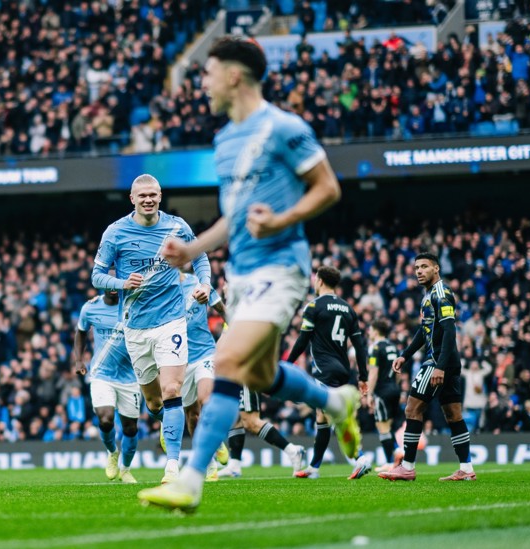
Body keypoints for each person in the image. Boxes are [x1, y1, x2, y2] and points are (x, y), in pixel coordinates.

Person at [139, 37, 360, 512]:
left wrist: (281, 220)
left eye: (208, 73)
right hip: (241, 275)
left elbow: (327, 187)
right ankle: (336, 403)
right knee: (258, 374)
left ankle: (190, 480)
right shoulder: (223, 142)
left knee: (226, 362)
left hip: (281, 266)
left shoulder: (285, 127)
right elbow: (234, 218)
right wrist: (192, 249)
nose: (203, 83)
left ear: (233, 75)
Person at [91, 173, 212, 484]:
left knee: (172, 390)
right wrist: (121, 283)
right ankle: (168, 422)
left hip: (171, 320)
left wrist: (205, 284)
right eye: (142, 195)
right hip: (135, 327)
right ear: (132, 199)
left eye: (153, 194)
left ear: (160, 196)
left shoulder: (177, 226)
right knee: (155, 402)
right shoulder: (115, 232)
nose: (148, 199)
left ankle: (172, 466)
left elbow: (199, 256)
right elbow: (96, 276)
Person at [380, 252, 476, 482]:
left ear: (436, 268)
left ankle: (407, 467)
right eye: (416, 268)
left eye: (424, 266)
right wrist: (405, 355)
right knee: (453, 414)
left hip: (438, 361)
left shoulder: (441, 293)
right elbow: (424, 331)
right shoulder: (428, 295)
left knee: (412, 409)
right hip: (448, 362)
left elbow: (450, 331)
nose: (419, 271)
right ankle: (466, 468)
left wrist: (439, 366)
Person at [287, 266, 370, 480]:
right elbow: (359, 346)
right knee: (322, 416)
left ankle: (360, 458)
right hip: (343, 369)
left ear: (320, 281)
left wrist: (286, 363)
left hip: (324, 368)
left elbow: (302, 340)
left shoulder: (314, 306)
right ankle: (314, 467)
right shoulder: (348, 308)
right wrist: (363, 376)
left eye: (315, 279)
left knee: (335, 414)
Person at [74, 288, 141, 484]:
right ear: (101, 283)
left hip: (130, 377)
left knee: (130, 428)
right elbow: (81, 332)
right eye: (109, 282)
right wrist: (78, 360)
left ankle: (125, 469)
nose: (113, 287)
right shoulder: (90, 308)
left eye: (117, 283)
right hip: (101, 374)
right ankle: (112, 452)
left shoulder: (133, 304)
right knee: (105, 420)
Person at [173, 271, 228, 480]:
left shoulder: (199, 284)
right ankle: (209, 462)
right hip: (179, 360)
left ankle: (215, 441)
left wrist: (236, 335)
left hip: (205, 353)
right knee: (192, 416)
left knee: (207, 399)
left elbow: (222, 310)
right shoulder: (161, 289)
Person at [217, 388, 308, 479]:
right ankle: (234, 465)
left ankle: (292, 451)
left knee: (251, 422)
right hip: (235, 382)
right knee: (235, 419)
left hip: (246, 381)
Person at [365, 319, 405, 473]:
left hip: (382, 391)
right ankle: (395, 456)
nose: (369, 332)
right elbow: (398, 372)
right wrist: (395, 386)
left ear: (376, 331)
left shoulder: (375, 348)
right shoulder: (393, 347)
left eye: (370, 329)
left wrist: (369, 394)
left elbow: (373, 372)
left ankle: (391, 459)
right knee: (388, 426)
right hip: (394, 389)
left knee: (382, 427)